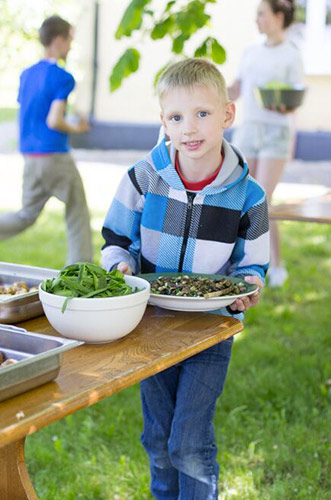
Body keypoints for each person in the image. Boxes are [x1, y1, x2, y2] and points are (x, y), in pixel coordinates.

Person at [101, 58, 269, 499]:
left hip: (209, 331)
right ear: (164, 122)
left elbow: (252, 265)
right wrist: (120, 267)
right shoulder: (142, 179)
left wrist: (247, 289)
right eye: (177, 117)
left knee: (188, 443)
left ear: (227, 115)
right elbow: (118, 241)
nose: (189, 128)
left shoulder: (248, 195)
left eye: (202, 113)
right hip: (151, 325)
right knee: (158, 441)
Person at [0, 15, 93, 265]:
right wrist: (77, 127)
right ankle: (81, 267)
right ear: (59, 40)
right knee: (77, 211)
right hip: (55, 155)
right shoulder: (63, 77)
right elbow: (54, 120)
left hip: (30, 156)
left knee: (26, 215)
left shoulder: (26, 74)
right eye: (69, 41)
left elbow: (29, 112)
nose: (70, 47)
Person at [228, 0, 304, 287]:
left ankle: (277, 265)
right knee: (243, 197)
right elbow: (236, 88)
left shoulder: (291, 54)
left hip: (276, 132)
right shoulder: (251, 52)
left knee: (264, 200)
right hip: (249, 130)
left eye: (261, 14)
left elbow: (294, 98)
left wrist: (282, 106)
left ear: (278, 16)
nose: (257, 20)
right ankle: (239, 260)